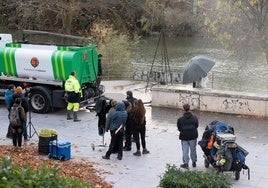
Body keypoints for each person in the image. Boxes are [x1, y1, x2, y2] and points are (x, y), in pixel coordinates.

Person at [177, 103, 199, 169]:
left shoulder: (180, 119)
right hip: (193, 136)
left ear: (183, 109)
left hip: (184, 137)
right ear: (189, 109)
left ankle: (186, 164)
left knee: (185, 150)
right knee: (193, 150)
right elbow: (197, 126)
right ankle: (194, 162)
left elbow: (179, 128)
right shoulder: (194, 117)